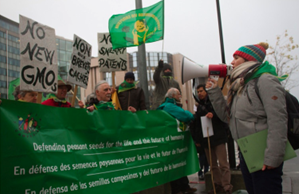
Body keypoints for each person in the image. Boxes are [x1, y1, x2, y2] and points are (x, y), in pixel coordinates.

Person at [206, 42, 288, 194]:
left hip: (264, 154)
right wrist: (214, 91)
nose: (232, 62)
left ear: (249, 59)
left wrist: (273, 157)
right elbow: (227, 117)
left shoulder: (265, 80)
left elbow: (278, 120)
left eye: (236, 58)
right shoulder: (240, 85)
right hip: (247, 152)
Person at [193, 84, 232, 194]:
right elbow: (197, 125)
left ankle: (227, 187)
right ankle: (217, 185)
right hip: (206, 139)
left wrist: (213, 115)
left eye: (201, 91)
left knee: (223, 164)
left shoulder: (214, 103)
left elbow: (223, 115)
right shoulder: (199, 106)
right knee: (213, 165)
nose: (199, 93)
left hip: (218, 137)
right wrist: (198, 139)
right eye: (198, 91)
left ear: (206, 92)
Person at [157, 88, 196, 194]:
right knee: (176, 165)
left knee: (178, 164)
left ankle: (184, 186)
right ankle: (178, 189)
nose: (180, 96)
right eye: (179, 94)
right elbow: (187, 116)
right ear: (173, 96)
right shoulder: (169, 107)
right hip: (174, 142)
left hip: (171, 141)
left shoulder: (163, 106)